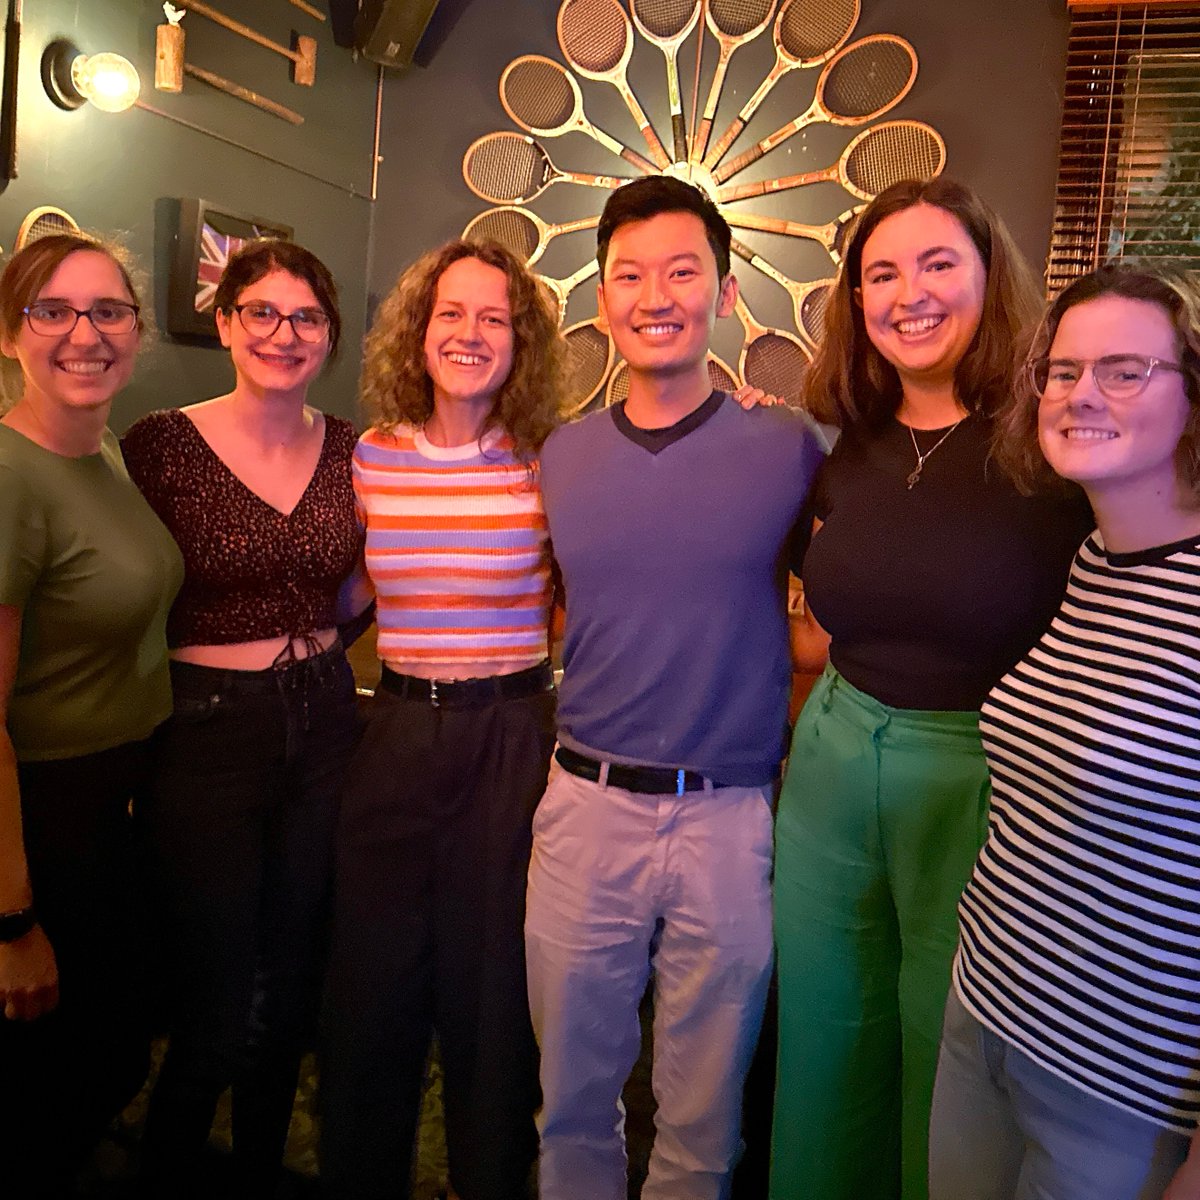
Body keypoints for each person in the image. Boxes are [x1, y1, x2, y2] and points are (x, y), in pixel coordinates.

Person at [769, 177, 1094, 1200]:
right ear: (856, 300)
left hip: (983, 776)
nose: (909, 293)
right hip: (829, 758)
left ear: (989, 277)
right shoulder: (849, 437)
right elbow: (816, 609)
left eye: (937, 263)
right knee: (820, 1032)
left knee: (945, 1048)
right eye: (882, 273)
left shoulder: (1055, 439)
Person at [525, 175, 825, 1200]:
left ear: (727, 293)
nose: (657, 294)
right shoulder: (560, 456)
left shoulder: (789, 447)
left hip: (730, 821)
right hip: (583, 809)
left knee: (704, 1126)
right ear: (603, 298)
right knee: (570, 1104)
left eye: (683, 271)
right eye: (630, 275)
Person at [929, 263, 1200, 1200]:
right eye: (1065, 369)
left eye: (1126, 370)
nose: (1082, 392)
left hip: (1125, 1081)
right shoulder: (1095, 562)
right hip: (989, 1012)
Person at [121, 239, 370, 1197]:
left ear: (329, 336)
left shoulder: (352, 447)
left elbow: (363, 584)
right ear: (225, 321)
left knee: (292, 990)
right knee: (217, 1000)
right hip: (208, 729)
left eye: (306, 317)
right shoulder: (160, 444)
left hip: (324, 719)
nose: (284, 333)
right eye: (261, 312)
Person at [319, 238, 564, 1200]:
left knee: (493, 998)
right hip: (395, 732)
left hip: (511, 737)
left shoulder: (550, 462)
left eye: (492, 317)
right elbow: (339, 597)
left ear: (520, 341)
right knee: (369, 990)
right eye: (449, 314)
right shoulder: (370, 458)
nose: (468, 333)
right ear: (418, 334)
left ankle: (489, 1182)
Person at [0, 234, 183, 1198]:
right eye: (53, 312)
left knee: (105, 1065)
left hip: (115, 814)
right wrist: (13, 920)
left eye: (108, 311)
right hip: (42, 825)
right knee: (42, 1099)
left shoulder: (107, 450)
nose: (85, 334)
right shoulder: (9, 475)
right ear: (9, 334)